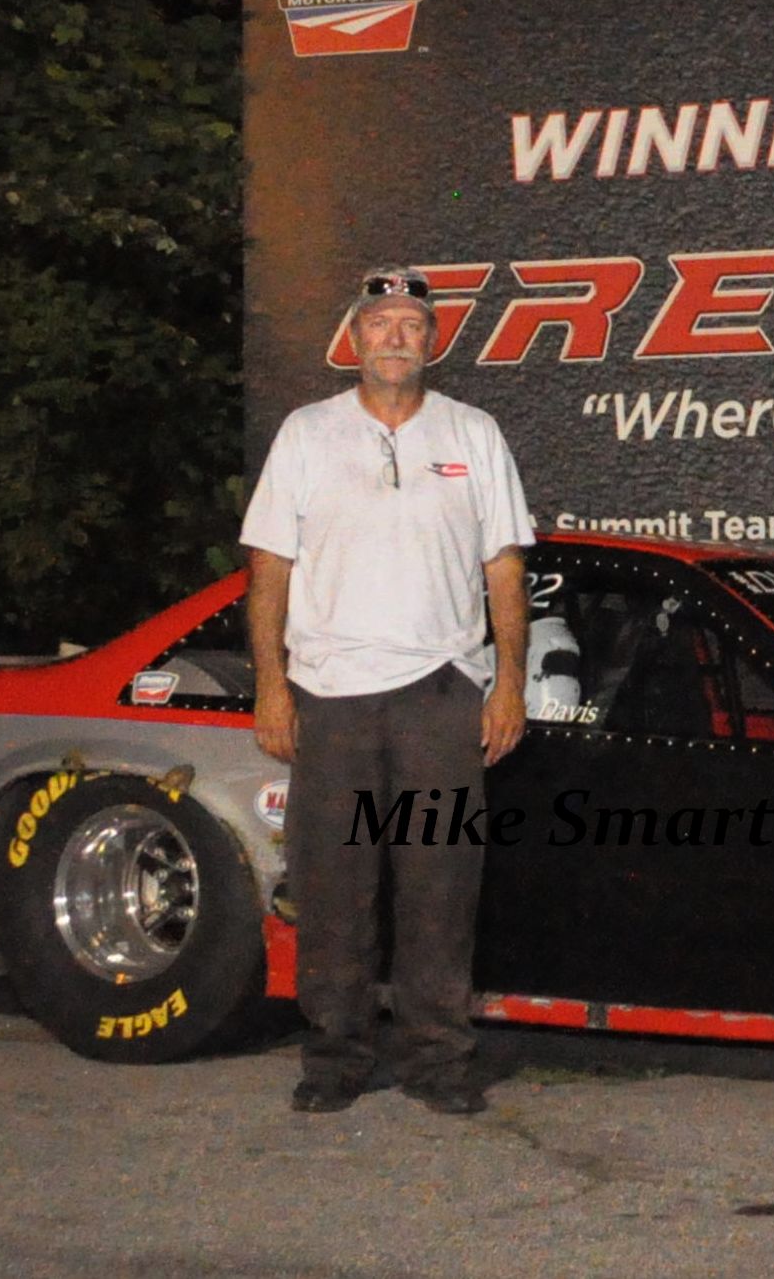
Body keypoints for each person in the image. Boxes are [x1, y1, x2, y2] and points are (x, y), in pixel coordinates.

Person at [239, 264, 534, 1115]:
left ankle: (437, 1060)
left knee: (441, 888)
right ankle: (335, 1057)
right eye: (379, 322)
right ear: (354, 338)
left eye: (411, 323)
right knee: (334, 890)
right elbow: (269, 568)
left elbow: (505, 568)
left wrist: (507, 685)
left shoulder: (474, 432)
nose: (395, 336)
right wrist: (272, 687)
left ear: (432, 340)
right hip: (330, 695)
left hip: (441, 694)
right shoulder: (307, 433)